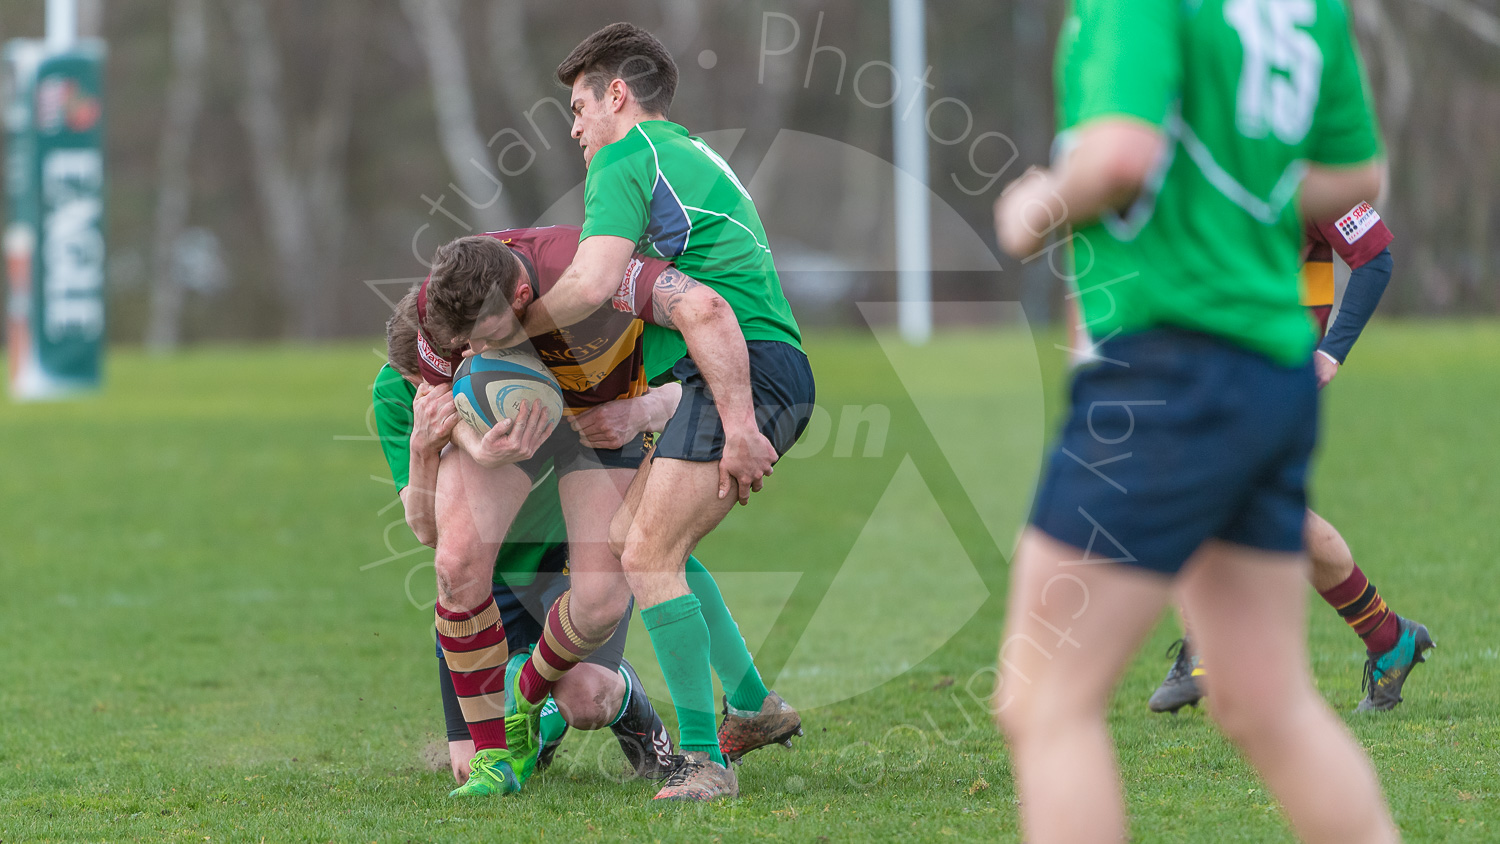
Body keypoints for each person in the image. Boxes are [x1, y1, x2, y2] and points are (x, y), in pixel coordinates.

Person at [991, 0, 1400, 841]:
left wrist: (1034, 206)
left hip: (1164, 374)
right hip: (1269, 368)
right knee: (1266, 702)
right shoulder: (1307, 9)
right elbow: (1358, 177)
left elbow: (1118, 157)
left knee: (1047, 700)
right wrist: (1237, 209)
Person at [475, 22, 814, 802]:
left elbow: (593, 282)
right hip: (743, 368)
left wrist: (508, 337)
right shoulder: (689, 151)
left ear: (616, 95)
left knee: (647, 556)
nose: (574, 128)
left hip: (746, 369)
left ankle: (703, 762)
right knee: (638, 537)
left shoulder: (626, 156)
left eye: (578, 106)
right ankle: (753, 704)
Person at [420, 226, 803, 798]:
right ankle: (493, 762)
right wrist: (482, 447)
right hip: (511, 426)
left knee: (600, 602)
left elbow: (707, 327)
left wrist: (652, 410)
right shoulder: (446, 299)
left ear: (523, 297)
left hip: (601, 428)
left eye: (486, 339)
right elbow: (440, 404)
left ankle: (525, 696)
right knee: (455, 562)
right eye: (461, 346)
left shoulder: (600, 270)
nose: (471, 354)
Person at [374, 291, 673, 784]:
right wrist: (424, 447)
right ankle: (528, 718)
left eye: (434, 380)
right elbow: (427, 533)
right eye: (415, 383)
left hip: (566, 554)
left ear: (470, 352)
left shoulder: (547, 355)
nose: (424, 394)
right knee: (468, 766)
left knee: (584, 699)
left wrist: (641, 411)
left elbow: (681, 390)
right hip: (487, 574)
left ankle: (619, 710)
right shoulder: (398, 387)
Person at [1149, 203, 1434, 715]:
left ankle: (1204, 650)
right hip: (1216, 360)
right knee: (1257, 508)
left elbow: (1375, 258)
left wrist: (1332, 351)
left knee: (1194, 491)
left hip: (1276, 365)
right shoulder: (1207, 153)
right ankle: (1390, 638)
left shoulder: (1309, 166)